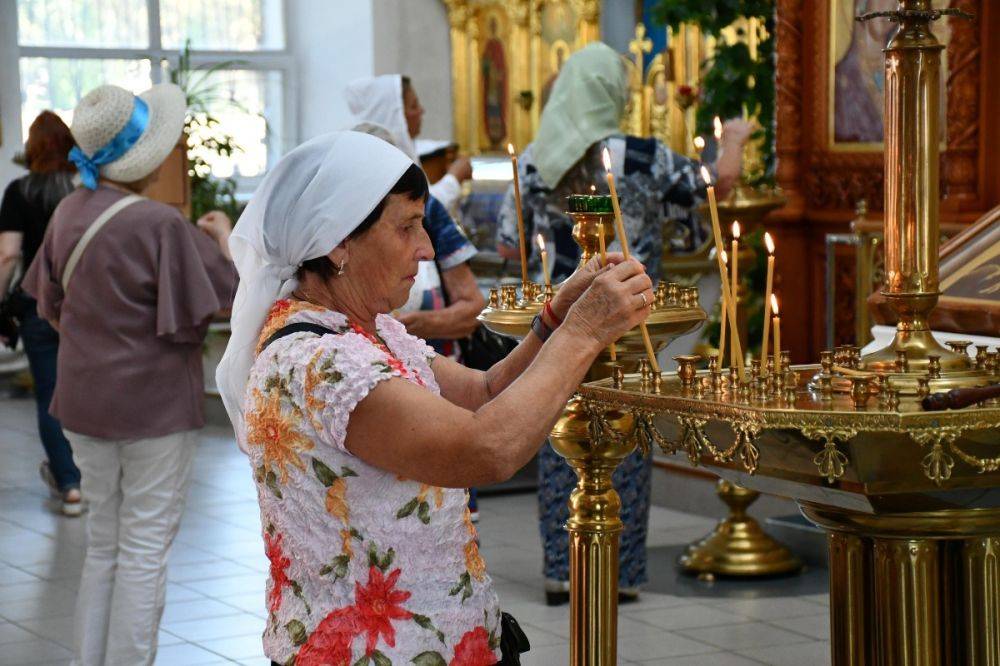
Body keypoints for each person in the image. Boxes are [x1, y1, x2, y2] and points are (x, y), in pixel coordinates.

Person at [214, 131, 652, 665]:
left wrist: (553, 321)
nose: (426, 248)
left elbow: (483, 393)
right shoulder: (318, 363)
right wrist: (582, 334)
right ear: (338, 242)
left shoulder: (367, 331)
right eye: (407, 227)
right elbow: (485, 447)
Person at [495, 42, 751, 604]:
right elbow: (716, 185)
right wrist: (733, 139)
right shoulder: (638, 154)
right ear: (612, 92)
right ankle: (621, 574)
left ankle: (563, 573)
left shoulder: (539, 157)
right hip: (629, 327)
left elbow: (508, 238)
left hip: (556, 325)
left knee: (557, 431)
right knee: (626, 435)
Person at [22, 83, 238, 666]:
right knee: (144, 549)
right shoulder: (159, 224)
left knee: (103, 547)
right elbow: (226, 295)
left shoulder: (68, 210)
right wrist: (224, 239)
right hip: (154, 409)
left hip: (84, 403)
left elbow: (48, 303)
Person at [0, 111, 82, 516]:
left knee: (49, 393)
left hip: (36, 304)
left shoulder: (19, 191)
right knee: (88, 390)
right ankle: (93, 474)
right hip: (87, 305)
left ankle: (69, 485)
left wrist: (1, 304)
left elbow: (8, 255)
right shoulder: (84, 190)